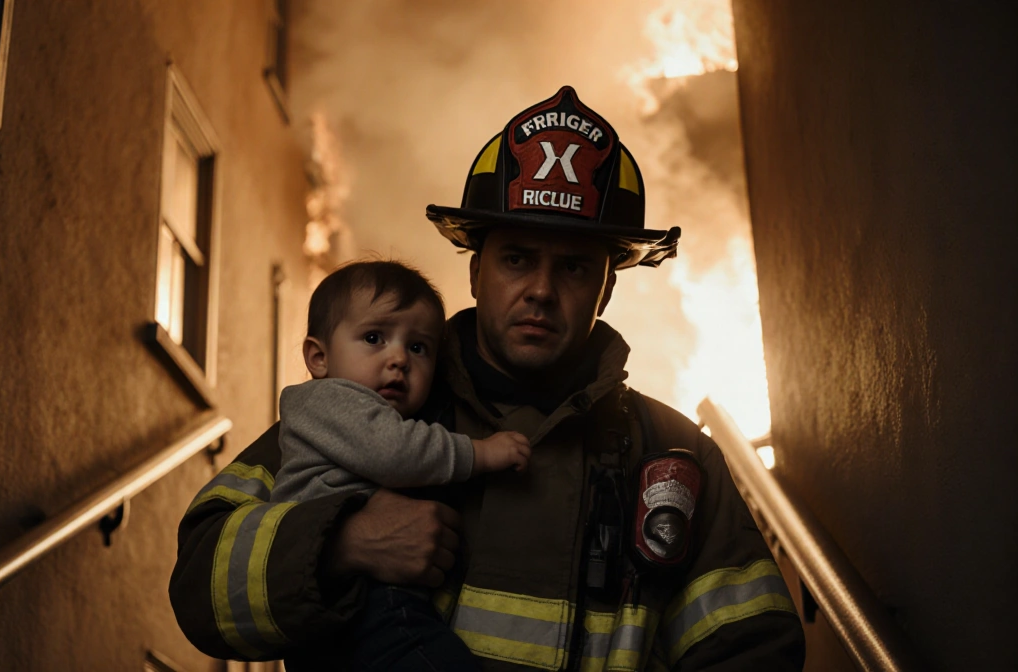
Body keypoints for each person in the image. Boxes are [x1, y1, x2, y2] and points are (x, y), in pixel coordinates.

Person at [170, 86, 805, 671]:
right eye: (518, 259)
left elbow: (754, 651)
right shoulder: (375, 409)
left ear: (606, 289)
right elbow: (202, 586)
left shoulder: (672, 457)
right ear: (476, 272)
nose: (541, 291)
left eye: (575, 269)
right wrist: (340, 543)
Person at [271, 259, 531, 670]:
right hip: (364, 599)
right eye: (374, 337)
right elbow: (394, 453)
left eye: (418, 347)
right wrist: (482, 452)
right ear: (319, 358)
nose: (399, 360)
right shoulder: (330, 401)